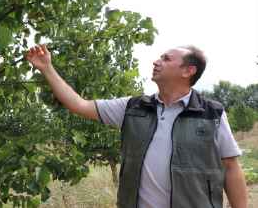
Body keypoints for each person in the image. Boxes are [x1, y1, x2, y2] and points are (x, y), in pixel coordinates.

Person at [25, 44, 248, 208]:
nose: (156, 61)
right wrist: (47, 68)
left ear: (188, 71)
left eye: (166, 58)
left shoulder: (212, 113)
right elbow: (78, 104)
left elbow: (230, 167)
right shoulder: (133, 108)